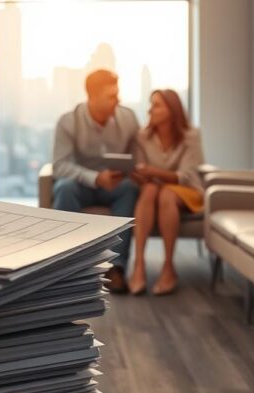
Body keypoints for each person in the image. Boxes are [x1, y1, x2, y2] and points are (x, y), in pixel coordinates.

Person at [52, 69, 140, 293]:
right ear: (92, 97)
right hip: (83, 185)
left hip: (115, 186)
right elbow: (59, 165)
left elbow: (138, 157)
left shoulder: (128, 118)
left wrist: (131, 171)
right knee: (64, 187)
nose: (117, 100)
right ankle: (66, 266)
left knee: (129, 188)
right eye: (111, 96)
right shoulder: (68, 121)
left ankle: (116, 268)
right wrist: (95, 178)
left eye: (117, 94)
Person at [128, 89, 205, 296]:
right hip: (153, 187)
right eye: (151, 104)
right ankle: (139, 266)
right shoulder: (142, 137)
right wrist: (139, 174)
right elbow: (139, 169)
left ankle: (169, 267)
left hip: (187, 191)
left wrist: (153, 172)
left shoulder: (191, 135)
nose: (150, 110)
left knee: (166, 194)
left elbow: (186, 176)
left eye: (156, 105)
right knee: (151, 189)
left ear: (172, 110)